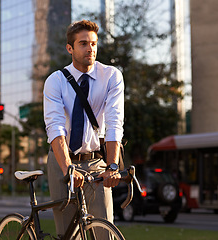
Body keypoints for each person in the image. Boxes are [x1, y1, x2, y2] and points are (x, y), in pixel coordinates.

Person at [43, 20, 124, 238]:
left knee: (104, 230)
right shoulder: (55, 81)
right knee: (68, 233)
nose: (90, 48)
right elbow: (55, 127)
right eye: (83, 43)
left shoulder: (111, 77)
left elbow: (115, 122)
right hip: (62, 160)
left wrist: (113, 165)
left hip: (96, 161)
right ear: (70, 48)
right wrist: (67, 168)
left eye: (94, 43)